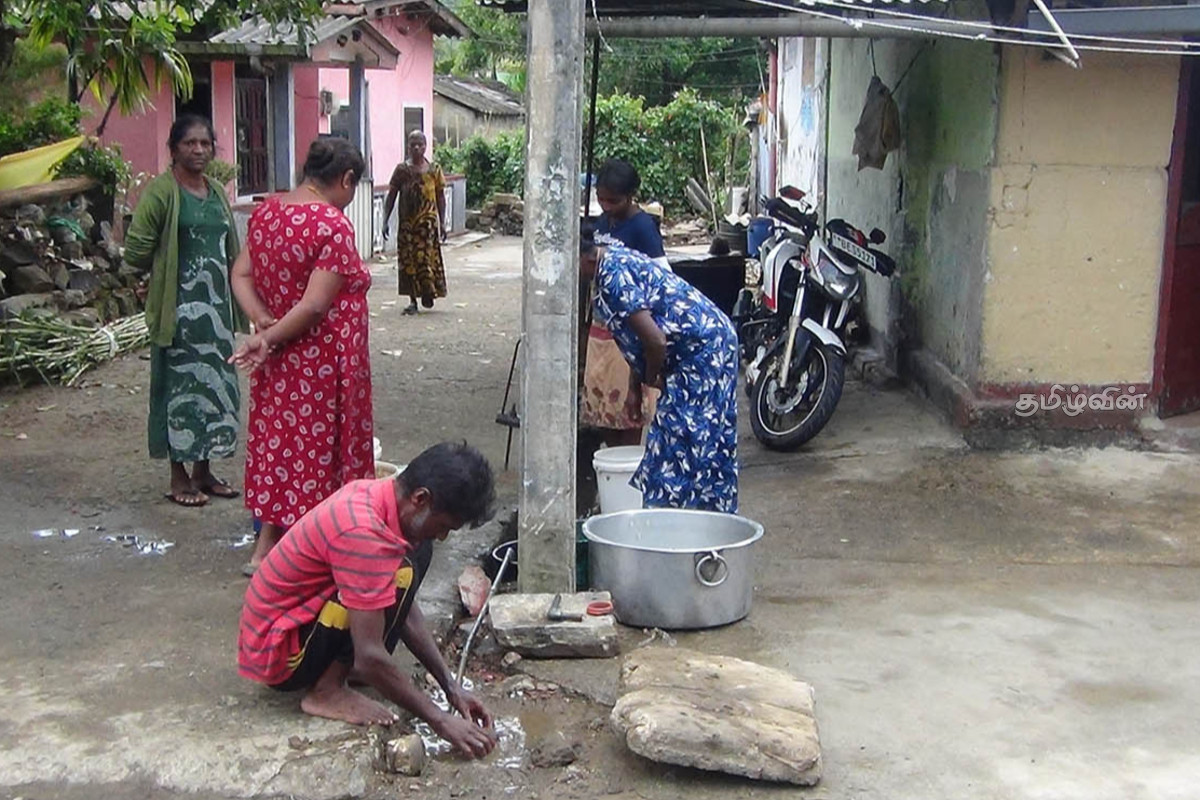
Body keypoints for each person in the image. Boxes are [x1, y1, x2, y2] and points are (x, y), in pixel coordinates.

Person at [237, 442, 498, 759]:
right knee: (397, 569)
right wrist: (440, 720)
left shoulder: (382, 498)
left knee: (413, 555)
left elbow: (406, 609)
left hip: (306, 620)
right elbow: (371, 656)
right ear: (420, 499)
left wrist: (451, 686)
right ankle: (325, 690)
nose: (443, 536)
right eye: (443, 526)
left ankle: (340, 671)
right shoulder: (364, 532)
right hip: (280, 650)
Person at [229, 137, 374, 575]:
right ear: (346, 179)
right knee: (317, 451)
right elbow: (314, 306)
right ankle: (304, 556)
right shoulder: (330, 225)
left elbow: (241, 273)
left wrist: (263, 324)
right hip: (321, 360)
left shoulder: (268, 211)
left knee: (283, 448)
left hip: (280, 359)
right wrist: (269, 338)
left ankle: (266, 550)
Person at [125, 114, 246, 508]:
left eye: (205, 144)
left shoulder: (215, 192)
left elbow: (232, 250)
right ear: (174, 148)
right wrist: (154, 275)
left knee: (214, 386)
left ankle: (204, 471)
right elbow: (137, 249)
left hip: (215, 314)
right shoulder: (161, 192)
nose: (198, 150)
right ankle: (179, 478)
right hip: (177, 314)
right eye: (190, 144)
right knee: (180, 392)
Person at [580, 223, 739, 512]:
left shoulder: (612, 276)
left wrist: (650, 378)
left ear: (587, 259)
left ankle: (691, 522)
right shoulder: (609, 260)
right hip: (696, 349)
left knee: (688, 440)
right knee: (674, 441)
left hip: (704, 352)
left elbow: (655, 341)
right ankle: (680, 519)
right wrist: (633, 385)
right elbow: (638, 341)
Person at [581, 160, 665, 448]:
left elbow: (661, 277)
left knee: (629, 412)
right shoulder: (602, 223)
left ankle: (625, 468)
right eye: (601, 199)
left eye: (613, 200)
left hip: (630, 330)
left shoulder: (642, 228)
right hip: (601, 328)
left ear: (630, 196)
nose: (606, 205)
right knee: (602, 413)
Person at [383, 130, 447, 315]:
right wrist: (385, 220)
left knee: (427, 259)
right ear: (407, 146)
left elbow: (440, 197)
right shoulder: (402, 170)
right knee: (409, 261)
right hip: (408, 227)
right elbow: (392, 196)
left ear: (426, 146)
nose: (417, 148)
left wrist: (442, 223)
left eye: (420, 144)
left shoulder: (434, 170)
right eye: (413, 144)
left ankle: (428, 292)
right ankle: (412, 299)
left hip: (427, 226)